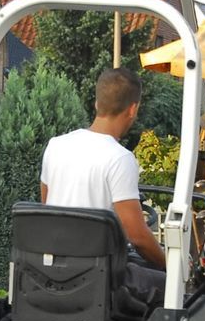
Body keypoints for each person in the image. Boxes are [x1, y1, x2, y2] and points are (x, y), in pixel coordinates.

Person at [40, 66, 167, 272]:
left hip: (52, 269)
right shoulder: (120, 158)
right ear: (133, 109)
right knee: (164, 286)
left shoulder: (55, 145)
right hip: (96, 277)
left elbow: (47, 206)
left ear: (97, 103)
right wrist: (172, 266)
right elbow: (137, 236)